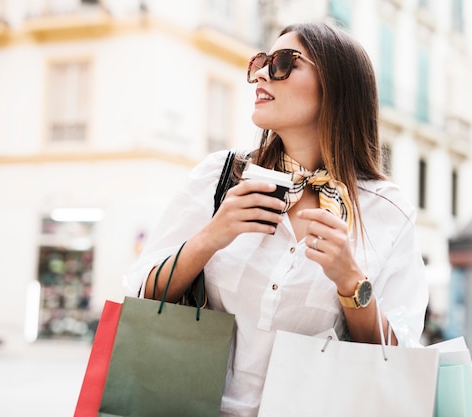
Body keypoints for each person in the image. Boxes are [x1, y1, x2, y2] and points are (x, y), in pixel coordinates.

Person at [123, 21, 428, 417]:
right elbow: (139, 297)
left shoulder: (387, 210)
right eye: (261, 62)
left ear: (335, 86)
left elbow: (400, 359)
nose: (262, 74)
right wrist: (211, 236)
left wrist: (352, 283)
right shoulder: (219, 177)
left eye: (284, 62)